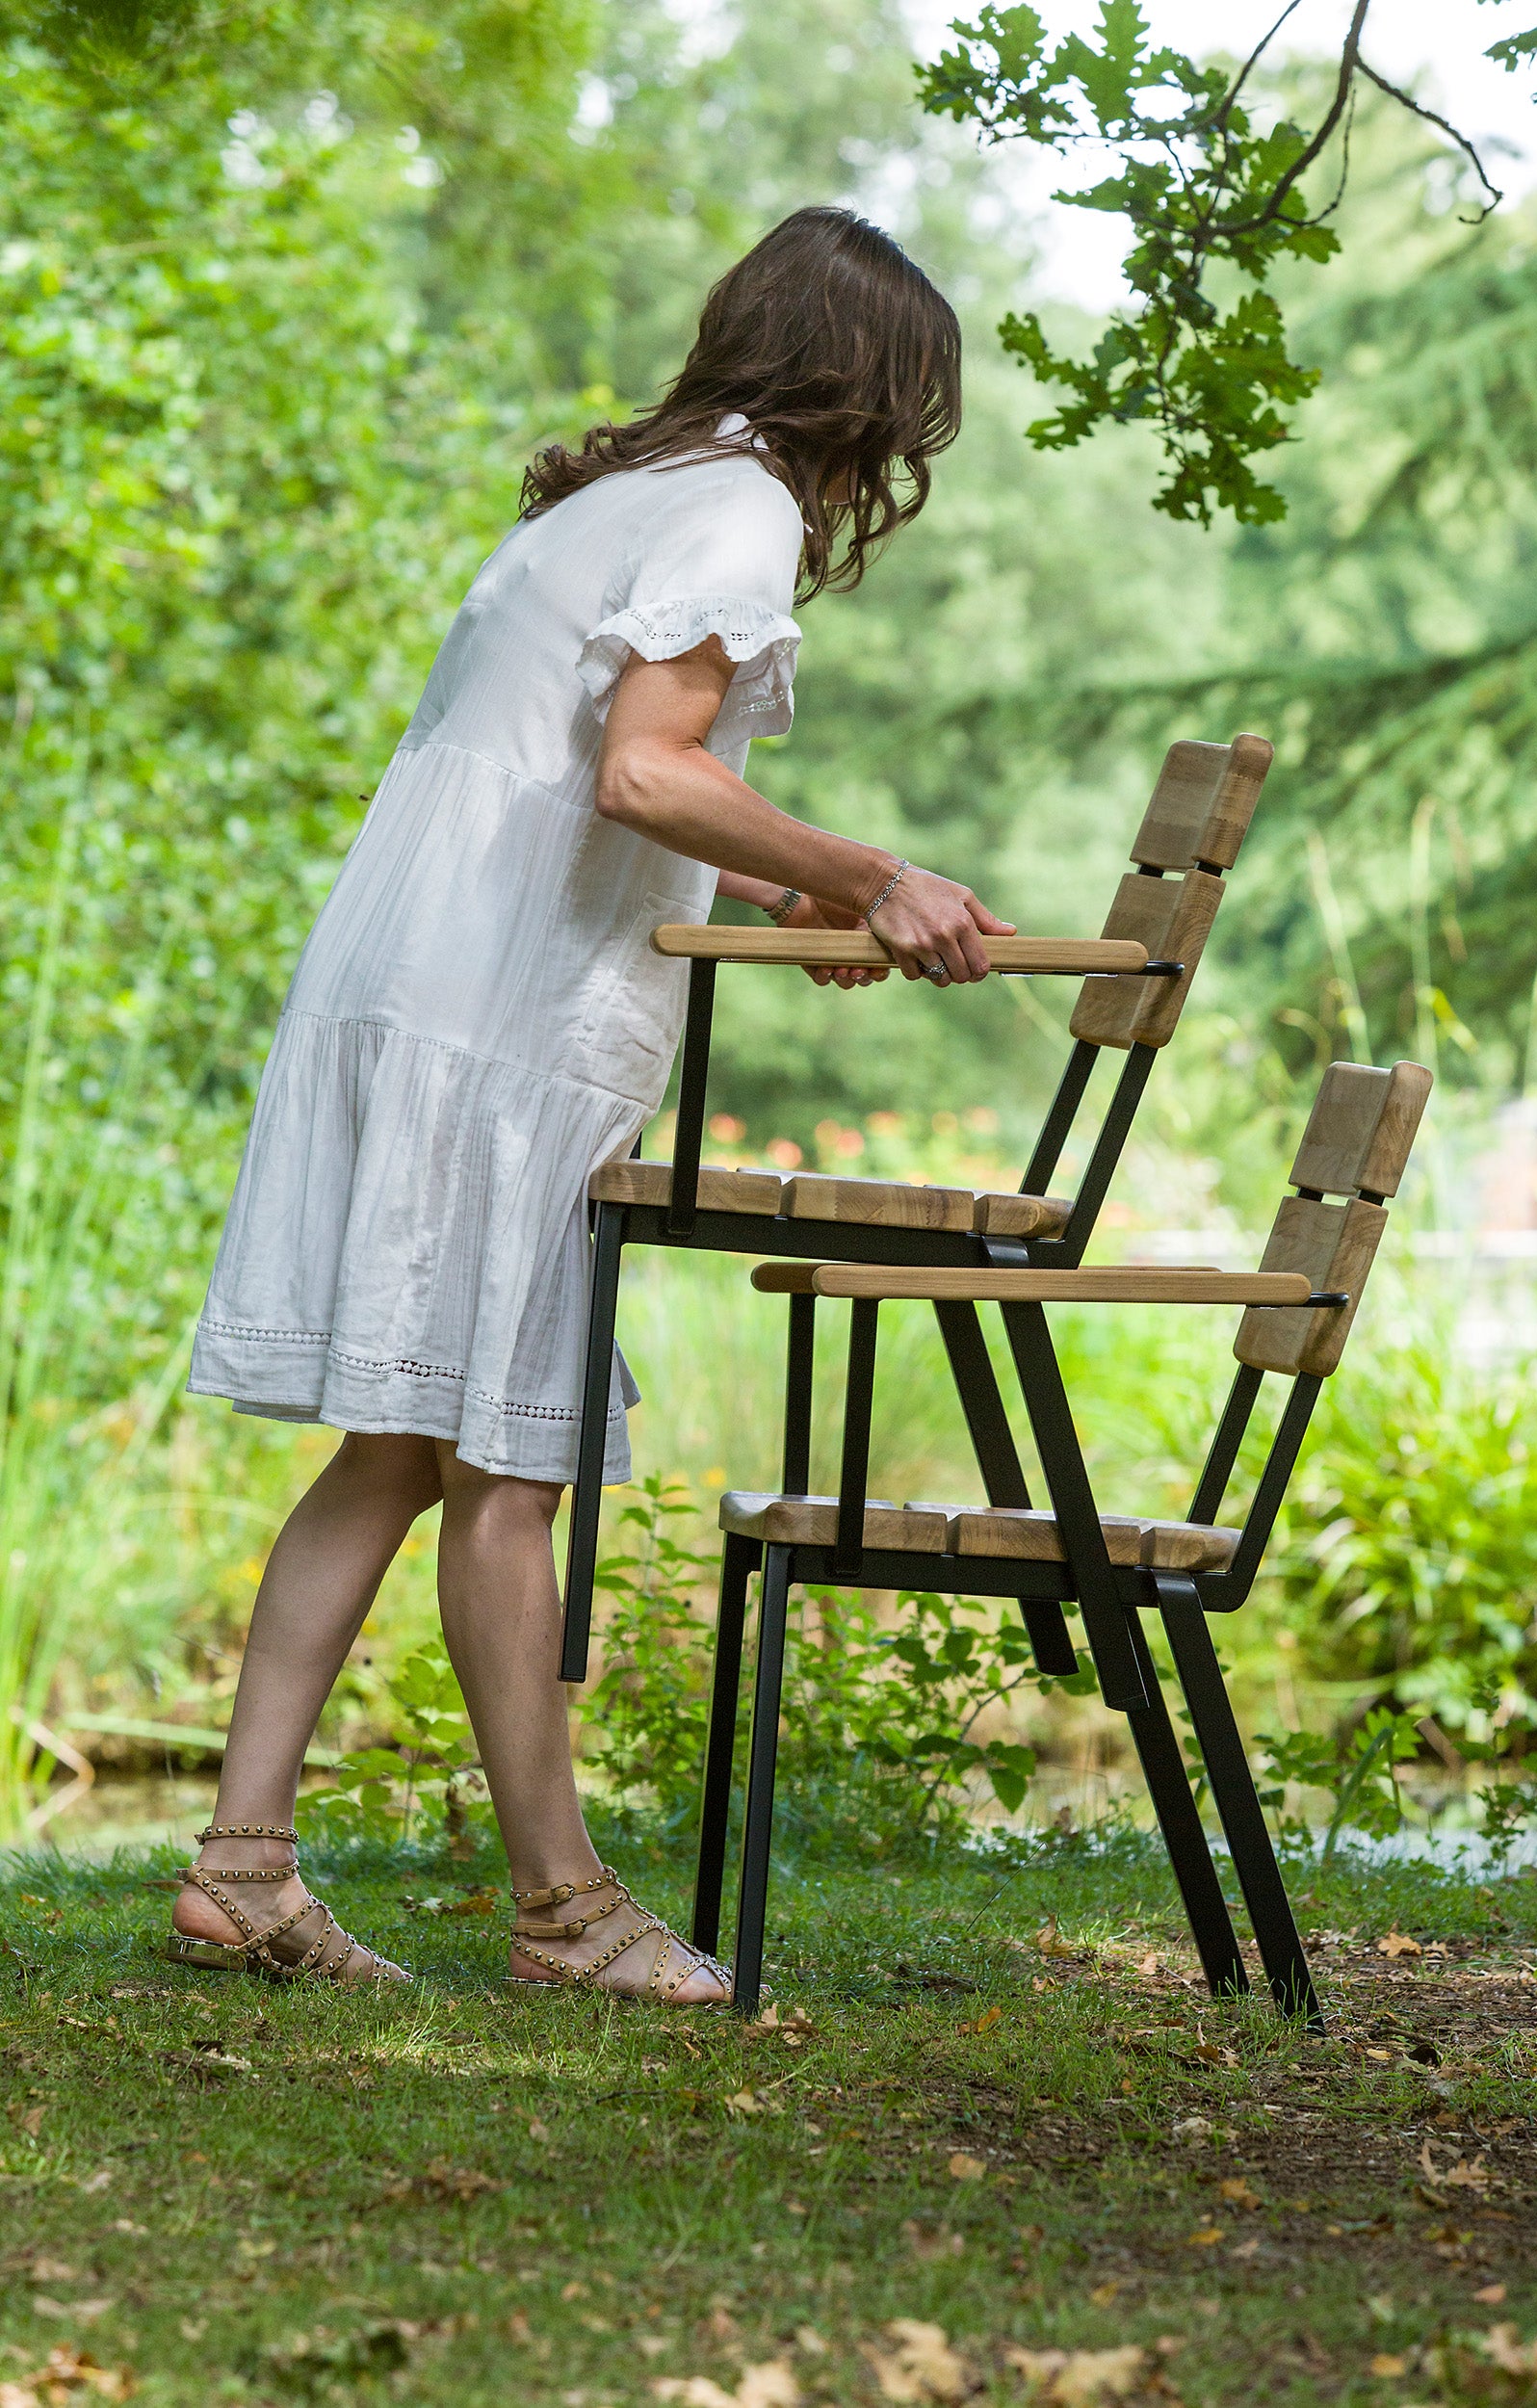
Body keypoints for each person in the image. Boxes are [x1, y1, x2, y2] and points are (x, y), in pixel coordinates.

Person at [173, 205, 1014, 2003]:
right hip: (501, 1025)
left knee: (406, 1447)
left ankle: (244, 1867)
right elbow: (645, 770)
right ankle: (564, 1912)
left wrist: (784, 885)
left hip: (412, 983)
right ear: (863, 395)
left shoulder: (611, 496)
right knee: (505, 1466)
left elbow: (595, 776)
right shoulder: (739, 509)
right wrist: (874, 871)